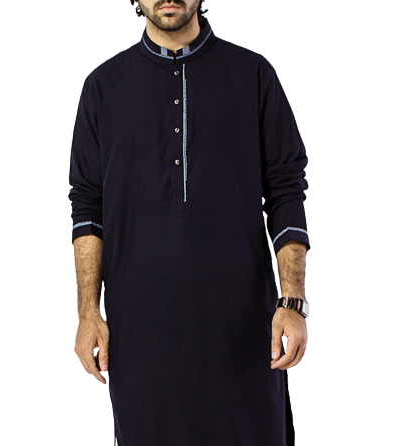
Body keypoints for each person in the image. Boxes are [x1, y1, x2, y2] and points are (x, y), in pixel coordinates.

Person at [68, 1, 311, 445]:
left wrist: (292, 302)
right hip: (140, 336)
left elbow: (286, 190)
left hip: (242, 332)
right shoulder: (103, 87)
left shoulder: (253, 75)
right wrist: (88, 312)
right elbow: (87, 207)